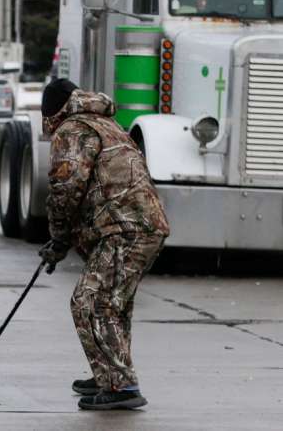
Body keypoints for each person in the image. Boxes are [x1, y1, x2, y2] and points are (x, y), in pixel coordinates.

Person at [39, 78, 170, 411]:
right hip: (142, 223)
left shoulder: (72, 129)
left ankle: (120, 386)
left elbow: (66, 188)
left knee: (91, 301)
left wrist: (57, 238)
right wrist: (63, 240)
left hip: (125, 227)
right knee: (113, 303)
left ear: (52, 112)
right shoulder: (104, 122)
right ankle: (108, 373)